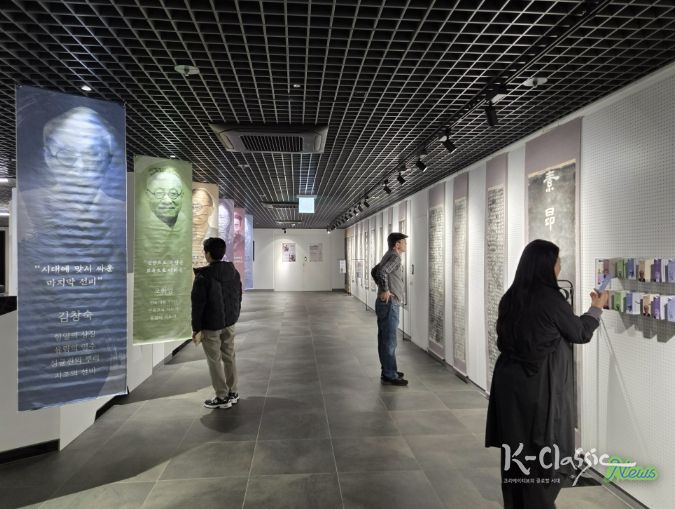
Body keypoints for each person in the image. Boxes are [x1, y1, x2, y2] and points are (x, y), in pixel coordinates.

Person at [485, 239, 609, 508]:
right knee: (542, 452)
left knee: (516, 452)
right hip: (537, 385)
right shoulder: (550, 300)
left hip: (509, 384)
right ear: (546, 265)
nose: (560, 266)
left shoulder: (511, 297)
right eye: (557, 261)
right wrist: (596, 308)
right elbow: (579, 332)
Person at [191, 237, 242, 409]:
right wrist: (234, 315)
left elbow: (197, 306)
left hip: (211, 325)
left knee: (214, 360)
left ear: (207, 254)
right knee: (229, 356)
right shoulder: (233, 272)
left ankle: (222, 396)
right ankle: (233, 392)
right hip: (229, 322)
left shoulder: (203, 276)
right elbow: (238, 296)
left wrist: (196, 328)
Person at [372, 232, 408, 386]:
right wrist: (386, 290)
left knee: (384, 338)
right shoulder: (395, 257)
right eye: (403, 242)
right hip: (390, 304)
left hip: (385, 303)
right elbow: (381, 272)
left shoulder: (388, 255)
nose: (405, 245)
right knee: (389, 340)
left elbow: (374, 271)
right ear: (397, 244)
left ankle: (388, 369)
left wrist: (382, 288)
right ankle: (390, 374)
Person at [191, 187, 218, 267]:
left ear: (210, 210)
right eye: (192, 207)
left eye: (198, 207)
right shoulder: (180, 236)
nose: (194, 211)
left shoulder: (217, 235)